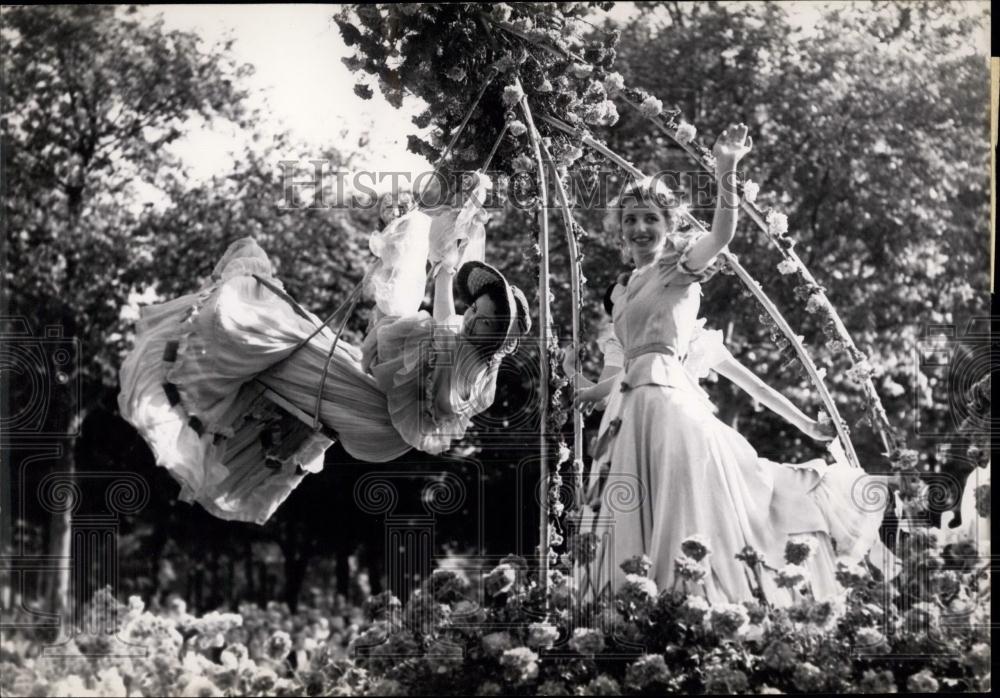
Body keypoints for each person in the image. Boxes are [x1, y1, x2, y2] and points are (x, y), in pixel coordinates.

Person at [569, 123, 888, 605]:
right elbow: (607, 387)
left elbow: (722, 234)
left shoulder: (677, 269)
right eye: (631, 219)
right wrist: (570, 373)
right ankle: (641, 611)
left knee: (692, 513)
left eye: (651, 219)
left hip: (671, 410)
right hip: (628, 417)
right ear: (620, 229)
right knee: (629, 521)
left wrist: (727, 169)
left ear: (669, 225)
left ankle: (700, 603)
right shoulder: (622, 295)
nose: (640, 229)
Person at [119, 228, 529, 525]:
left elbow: (438, 384)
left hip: (380, 425)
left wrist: (443, 276)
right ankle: (235, 392)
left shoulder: (471, 373)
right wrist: (404, 255)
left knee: (288, 337)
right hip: (375, 412)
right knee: (308, 335)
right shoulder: (455, 339)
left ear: (495, 337)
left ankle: (215, 343)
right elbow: (384, 349)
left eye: (484, 319)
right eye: (475, 308)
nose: (471, 316)